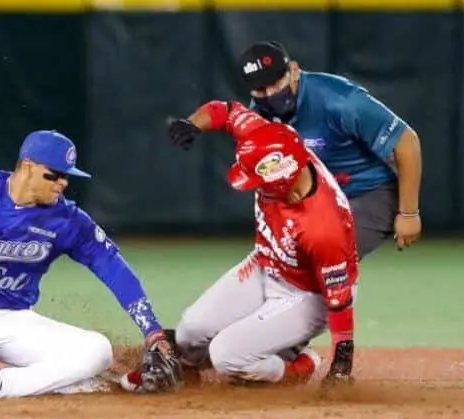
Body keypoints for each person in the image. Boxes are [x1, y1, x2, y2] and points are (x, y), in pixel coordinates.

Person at [0, 129, 176, 398]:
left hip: (14, 321)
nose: (62, 183)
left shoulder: (67, 221)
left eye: (66, 177)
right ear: (28, 167)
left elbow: (114, 269)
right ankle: (64, 384)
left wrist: (152, 331)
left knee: (97, 351)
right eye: (53, 175)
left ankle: (2, 385)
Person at [123, 100, 357, 392]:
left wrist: (342, 363)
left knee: (227, 356)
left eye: (258, 180)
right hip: (266, 263)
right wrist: (194, 123)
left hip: (308, 294)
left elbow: (339, 299)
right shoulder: (271, 142)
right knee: (190, 331)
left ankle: (296, 368)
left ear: (282, 180)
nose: (253, 185)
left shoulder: (323, 228)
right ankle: (186, 369)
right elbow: (226, 111)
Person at [170, 41, 422, 259]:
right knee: (283, 263)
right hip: (316, 198)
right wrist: (192, 123)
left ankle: (329, 312)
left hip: (368, 193)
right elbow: (224, 112)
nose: (269, 94)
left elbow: (406, 141)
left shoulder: (341, 101)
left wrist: (409, 213)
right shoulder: (261, 111)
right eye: (260, 89)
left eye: (275, 83)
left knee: (324, 258)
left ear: (293, 71)